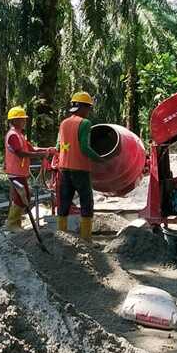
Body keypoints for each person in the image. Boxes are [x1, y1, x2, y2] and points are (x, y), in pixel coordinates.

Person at [56, 91, 103, 241]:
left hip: (64, 168)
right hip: (80, 170)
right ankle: (86, 239)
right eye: (88, 108)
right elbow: (84, 147)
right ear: (83, 107)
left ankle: (61, 236)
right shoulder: (85, 123)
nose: (89, 111)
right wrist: (100, 159)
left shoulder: (63, 123)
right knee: (86, 202)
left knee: (64, 201)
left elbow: (58, 146)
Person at [4, 106, 54, 232]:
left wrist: (47, 149)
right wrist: (40, 155)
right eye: (22, 119)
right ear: (14, 121)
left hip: (20, 172)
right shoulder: (13, 136)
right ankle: (11, 223)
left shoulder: (20, 135)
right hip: (15, 172)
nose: (24, 121)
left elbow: (31, 149)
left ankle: (16, 223)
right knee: (22, 196)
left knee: (23, 196)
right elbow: (20, 153)